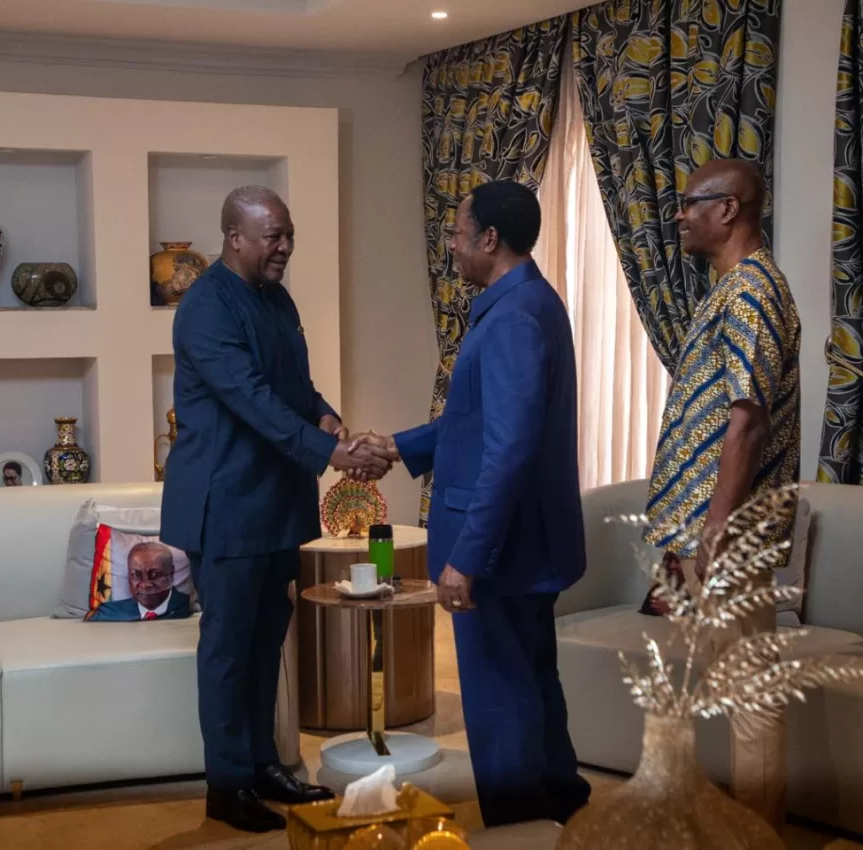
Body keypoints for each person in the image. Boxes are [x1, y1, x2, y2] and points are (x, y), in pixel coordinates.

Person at [159, 186, 396, 833]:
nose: (285, 247)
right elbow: (252, 400)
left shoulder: (278, 299)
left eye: (289, 234)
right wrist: (333, 453)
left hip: (275, 501)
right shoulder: (205, 308)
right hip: (227, 505)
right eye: (273, 237)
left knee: (267, 642)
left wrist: (327, 418)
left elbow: (292, 388)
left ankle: (264, 765)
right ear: (234, 237)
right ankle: (227, 784)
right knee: (229, 648)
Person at [356, 180, 590, 827]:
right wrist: (397, 446)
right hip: (529, 546)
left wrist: (467, 558)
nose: (452, 246)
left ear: (490, 239)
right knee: (534, 682)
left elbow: (508, 449)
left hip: (502, 553)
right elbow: (475, 420)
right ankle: (559, 813)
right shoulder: (531, 301)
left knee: (499, 699)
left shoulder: (512, 318)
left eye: (458, 234)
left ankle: (519, 829)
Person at [642, 159, 801, 830]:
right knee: (698, 695)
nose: (679, 215)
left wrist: (715, 531)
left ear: (729, 209)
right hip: (703, 536)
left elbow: (747, 419)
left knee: (749, 698)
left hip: (728, 538)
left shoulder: (753, 292)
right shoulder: (730, 288)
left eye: (690, 203)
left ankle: (758, 839)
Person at [84, 541, 191, 622]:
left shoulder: (188, 604)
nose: (145, 585)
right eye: (136, 575)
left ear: (171, 573)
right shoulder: (110, 612)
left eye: (155, 575)